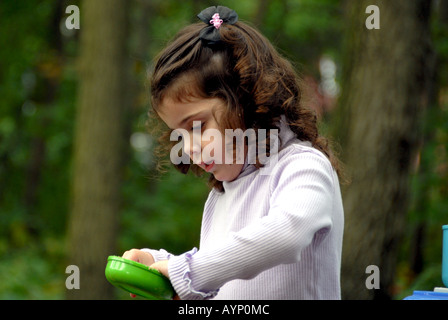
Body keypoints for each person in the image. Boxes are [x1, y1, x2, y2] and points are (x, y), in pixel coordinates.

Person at [123, 5, 344, 300]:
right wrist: (159, 268)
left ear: (246, 99)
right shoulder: (221, 196)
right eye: (179, 134)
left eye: (198, 125)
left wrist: (188, 272)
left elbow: (288, 234)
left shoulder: (303, 165)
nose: (188, 148)